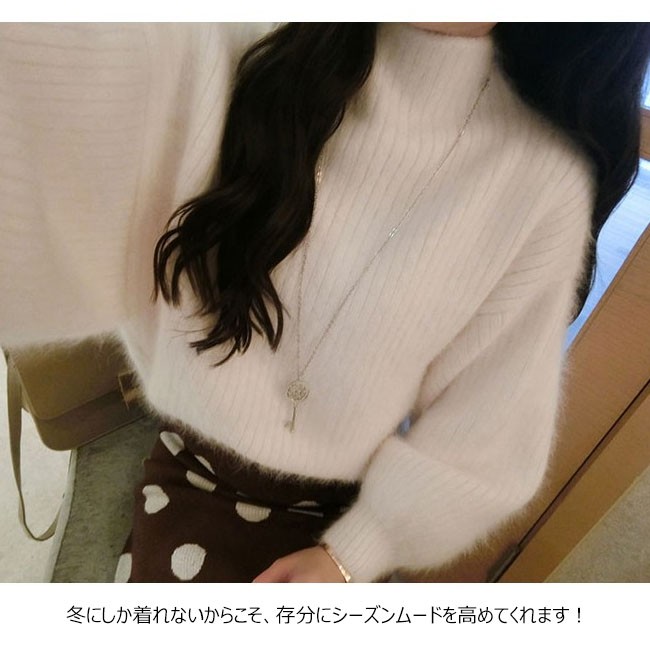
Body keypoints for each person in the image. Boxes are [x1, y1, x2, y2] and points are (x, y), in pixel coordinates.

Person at [1, 22, 649, 583]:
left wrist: (354, 554)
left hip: (338, 523)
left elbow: (488, 435)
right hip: (183, 468)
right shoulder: (227, 48)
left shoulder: (541, 183)